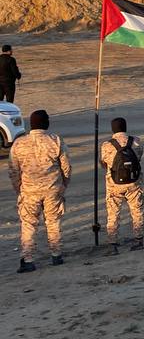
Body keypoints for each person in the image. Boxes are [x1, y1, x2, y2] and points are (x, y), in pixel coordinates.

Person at [8, 110, 70, 272]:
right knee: (53, 222)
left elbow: (13, 171)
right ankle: (56, 255)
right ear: (46, 123)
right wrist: (63, 185)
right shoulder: (55, 140)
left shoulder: (19, 143)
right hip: (53, 189)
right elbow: (66, 167)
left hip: (29, 191)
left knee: (28, 225)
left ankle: (28, 260)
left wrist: (19, 189)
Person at [100, 117, 144, 254]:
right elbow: (139, 158)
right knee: (136, 211)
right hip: (133, 181)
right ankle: (138, 240)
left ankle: (112, 244)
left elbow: (104, 163)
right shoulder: (136, 141)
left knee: (113, 213)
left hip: (114, 184)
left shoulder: (106, 145)